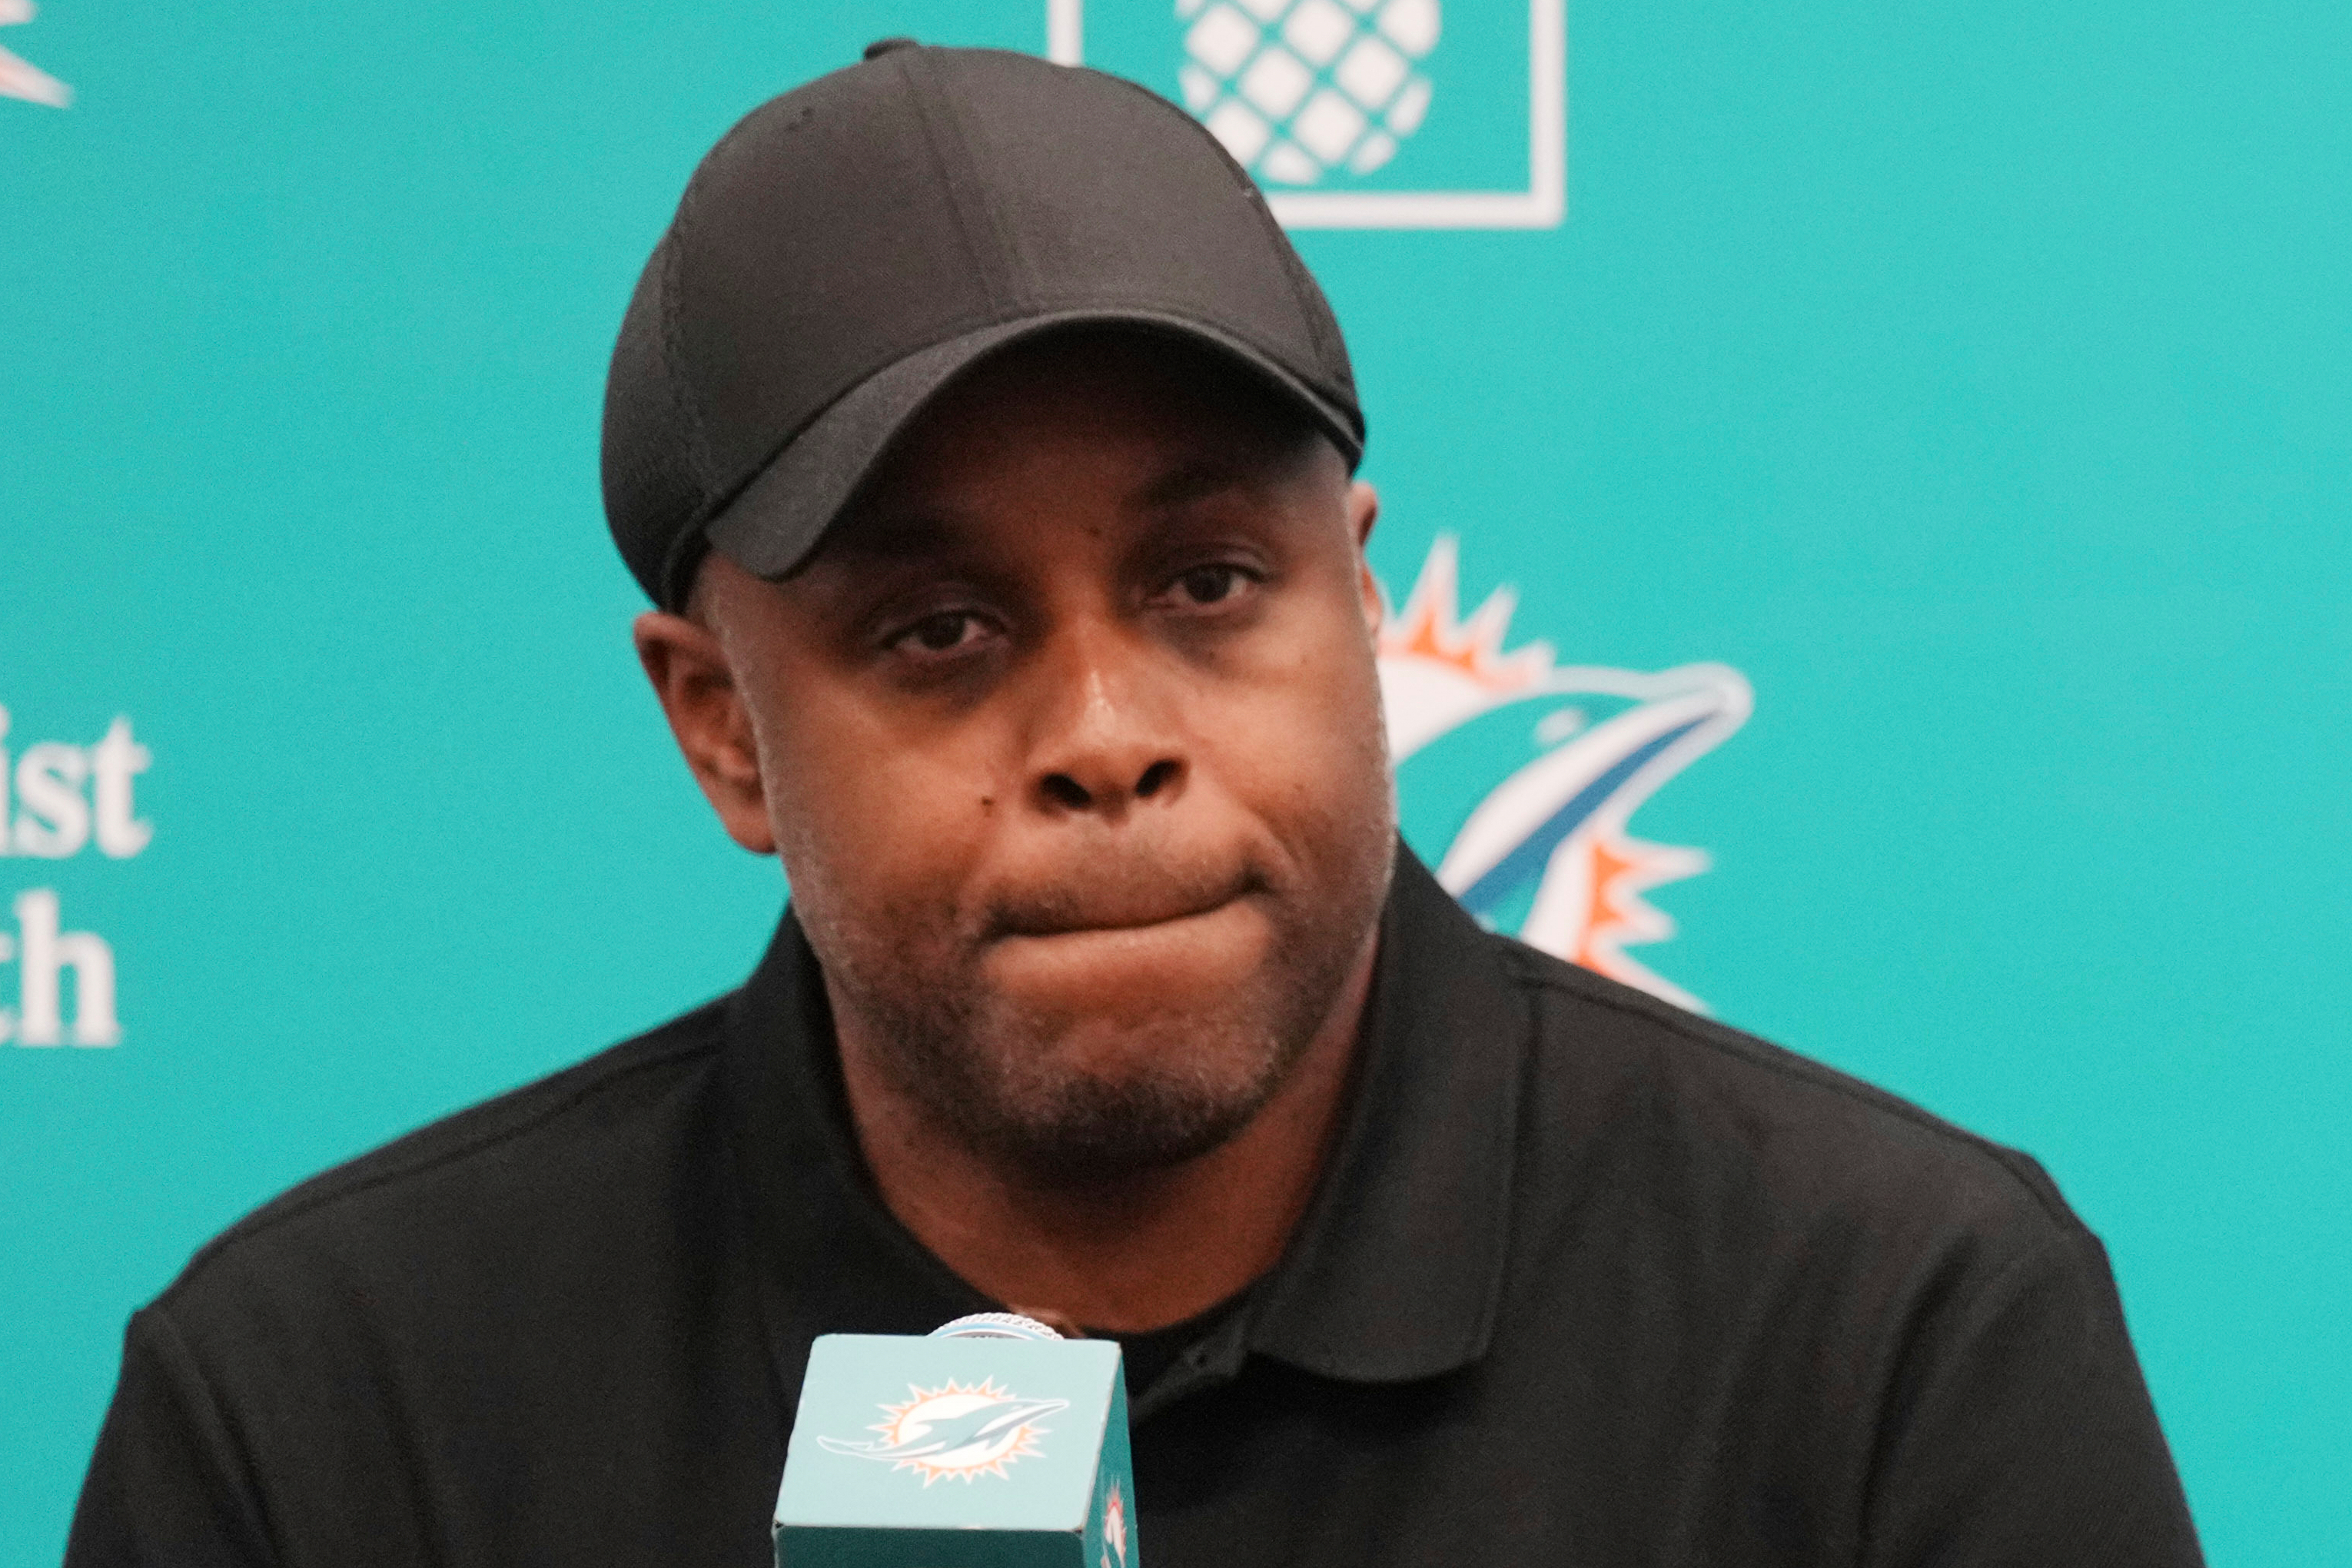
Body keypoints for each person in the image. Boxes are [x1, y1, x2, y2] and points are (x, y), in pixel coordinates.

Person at [66, 41, 2204, 1568]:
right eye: (936, 630)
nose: (1106, 730)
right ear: (721, 730)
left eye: (1205, 585)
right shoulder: (329, 1410)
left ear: (1357, 602)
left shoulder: (1888, 1330)